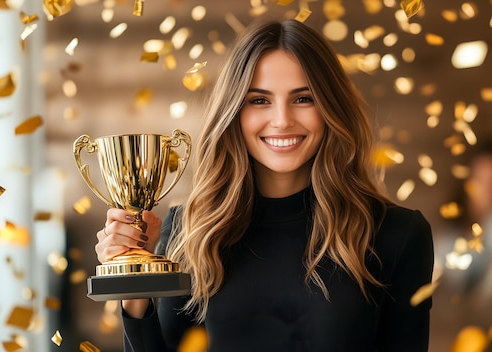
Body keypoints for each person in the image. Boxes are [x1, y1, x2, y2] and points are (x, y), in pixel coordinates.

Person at [95, 18, 434, 351]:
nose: (282, 120)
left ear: (331, 108)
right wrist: (133, 287)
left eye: (304, 98)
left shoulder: (398, 234)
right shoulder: (190, 230)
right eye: (259, 100)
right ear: (233, 113)